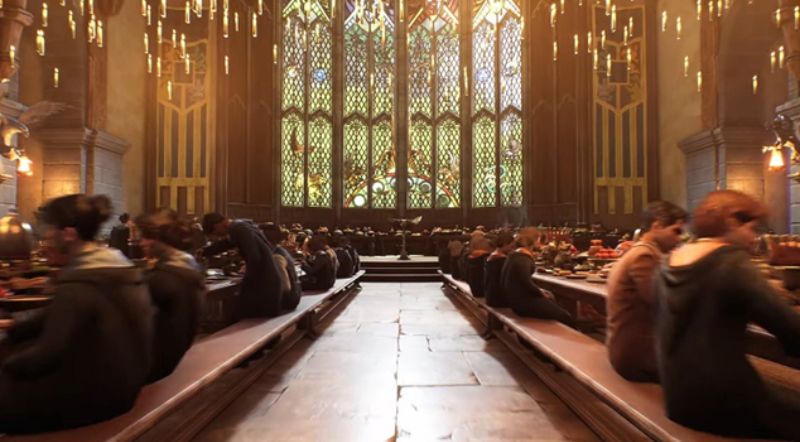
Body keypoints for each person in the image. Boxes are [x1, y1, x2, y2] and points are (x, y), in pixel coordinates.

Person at [0, 195, 154, 432]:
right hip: (121, 389)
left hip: (89, 400)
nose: (45, 239)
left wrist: (7, 365)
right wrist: (13, 326)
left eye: (49, 231)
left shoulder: (81, 283)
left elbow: (46, 355)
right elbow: (55, 316)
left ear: (68, 234)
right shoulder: (116, 268)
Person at [655, 190, 800, 439]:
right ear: (732, 220)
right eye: (753, 229)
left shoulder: (668, 261)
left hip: (678, 399)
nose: (755, 238)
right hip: (724, 403)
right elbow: (792, 332)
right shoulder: (732, 263)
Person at [606, 201, 687, 382]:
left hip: (630, 349)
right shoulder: (645, 256)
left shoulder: (641, 251)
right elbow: (665, 303)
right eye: (676, 231)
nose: (679, 238)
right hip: (638, 356)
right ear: (656, 225)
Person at [136, 209, 205, 383]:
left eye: (147, 236)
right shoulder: (188, 265)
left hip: (157, 363)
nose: (141, 242)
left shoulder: (165, 277)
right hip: (176, 356)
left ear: (162, 238)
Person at [201, 213, 284, 318]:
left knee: (239, 317)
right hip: (267, 282)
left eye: (215, 232)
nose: (218, 235)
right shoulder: (240, 227)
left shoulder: (239, 229)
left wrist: (245, 279)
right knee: (237, 314)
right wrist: (205, 251)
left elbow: (254, 258)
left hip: (264, 285)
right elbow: (226, 243)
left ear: (218, 225)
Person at [500, 227, 573, 325]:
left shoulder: (514, 255)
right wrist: (540, 292)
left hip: (515, 300)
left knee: (551, 299)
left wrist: (540, 292)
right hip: (523, 303)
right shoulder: (523, 259)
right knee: (565, 316)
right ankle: (571, 338)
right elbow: (526, 282)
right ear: (534, 240)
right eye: (539, 239)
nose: (540, 243)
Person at [262, 223, 302, 312]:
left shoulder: (276, 256)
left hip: (288, 301)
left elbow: (285, 287)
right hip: (293, 296)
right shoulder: (279, 250)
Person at [484, 231, 515, 308]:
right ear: (505, 244)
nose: (512, 249)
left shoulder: (492, 256)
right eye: (511, 247)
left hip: (490, 296)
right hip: (498, 300)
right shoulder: (500, 260)